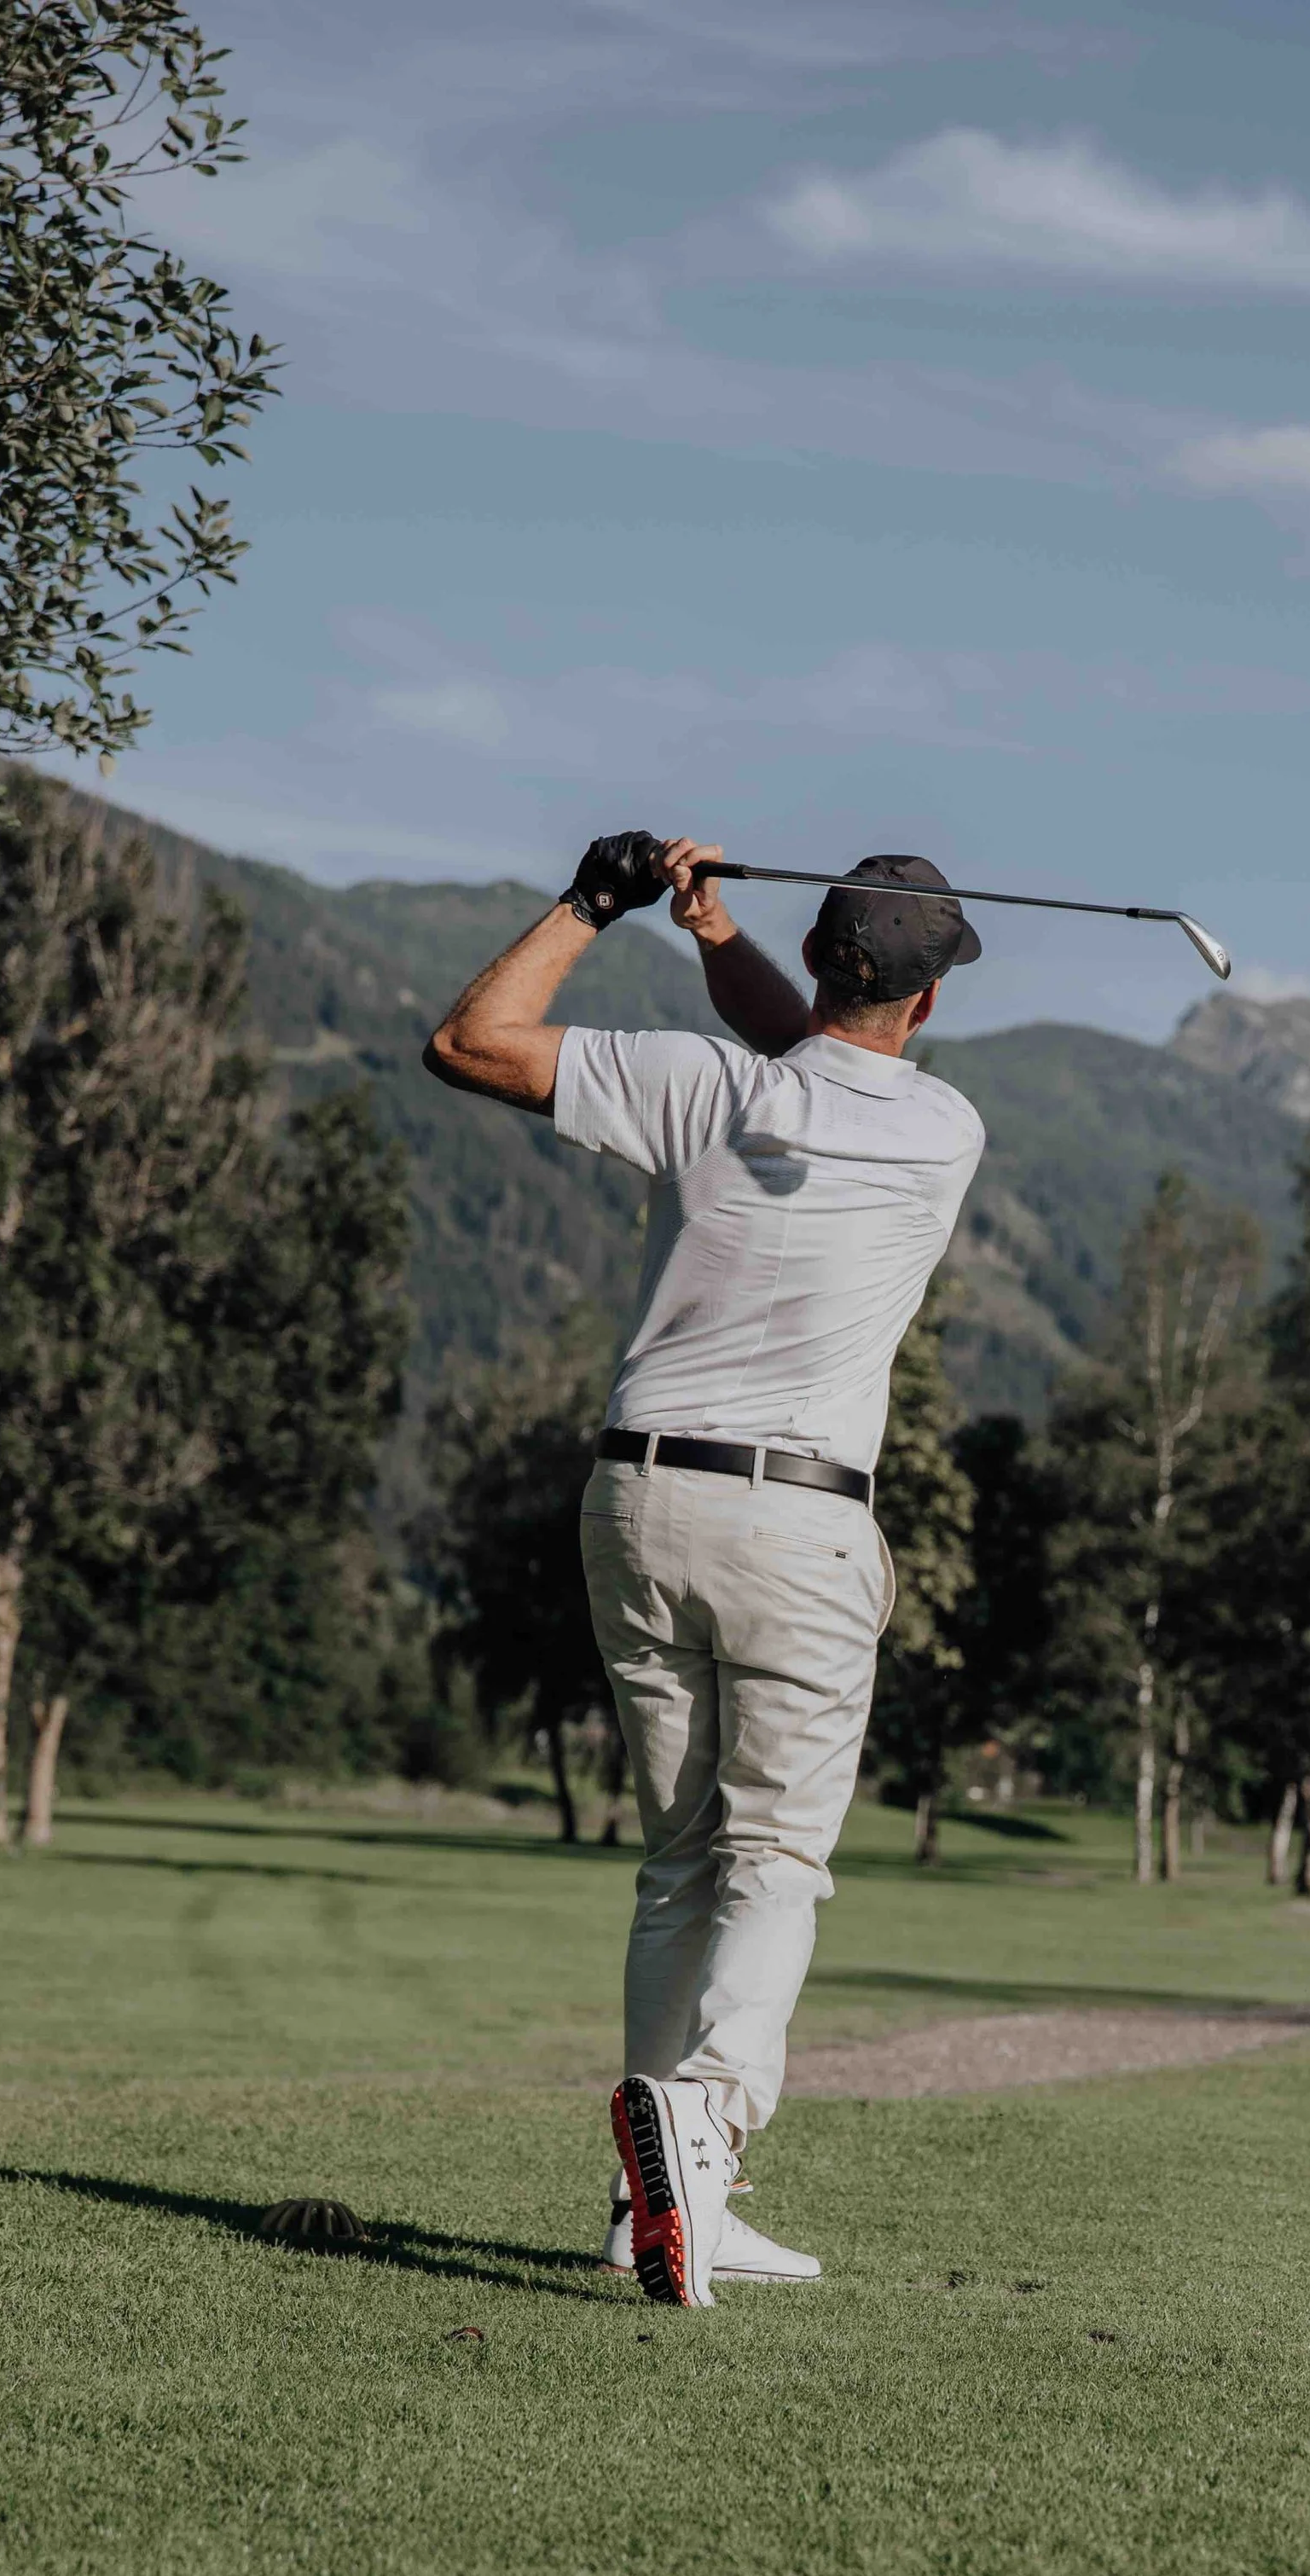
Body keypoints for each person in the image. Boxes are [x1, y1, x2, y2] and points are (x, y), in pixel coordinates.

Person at [424, 833, 986, 2306]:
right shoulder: (944, 1131)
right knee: (775, 1860)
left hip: (639, 1502)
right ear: (927, 1002)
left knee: (681, 1859)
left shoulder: (699, 1086)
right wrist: (719, 940)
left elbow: (469, 1042)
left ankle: (647, 2206)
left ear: (816, 959)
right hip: (799, 1523)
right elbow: (826, 1051)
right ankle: (706, 2133)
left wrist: (599, 904)